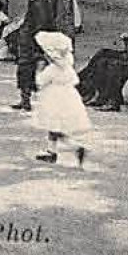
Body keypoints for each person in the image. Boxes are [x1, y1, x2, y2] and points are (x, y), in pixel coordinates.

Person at [31, 31, 91, 167]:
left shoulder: (51, 69)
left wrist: (39, 70)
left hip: (53, 100)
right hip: (68, 99)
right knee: (54, 128)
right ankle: (51, 151)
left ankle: (74, 147)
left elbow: (40, 82)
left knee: (54, 128)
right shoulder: (67, 68)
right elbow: (75, 80)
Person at [10, 0, 59, 111]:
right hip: (29, 42)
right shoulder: (36, 1)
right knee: (26, 71)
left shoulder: (40, 3)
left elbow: (42, 24)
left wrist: (35, 41)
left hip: (33, 43)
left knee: (30, 71)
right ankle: (25, 100)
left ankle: (30, 101)